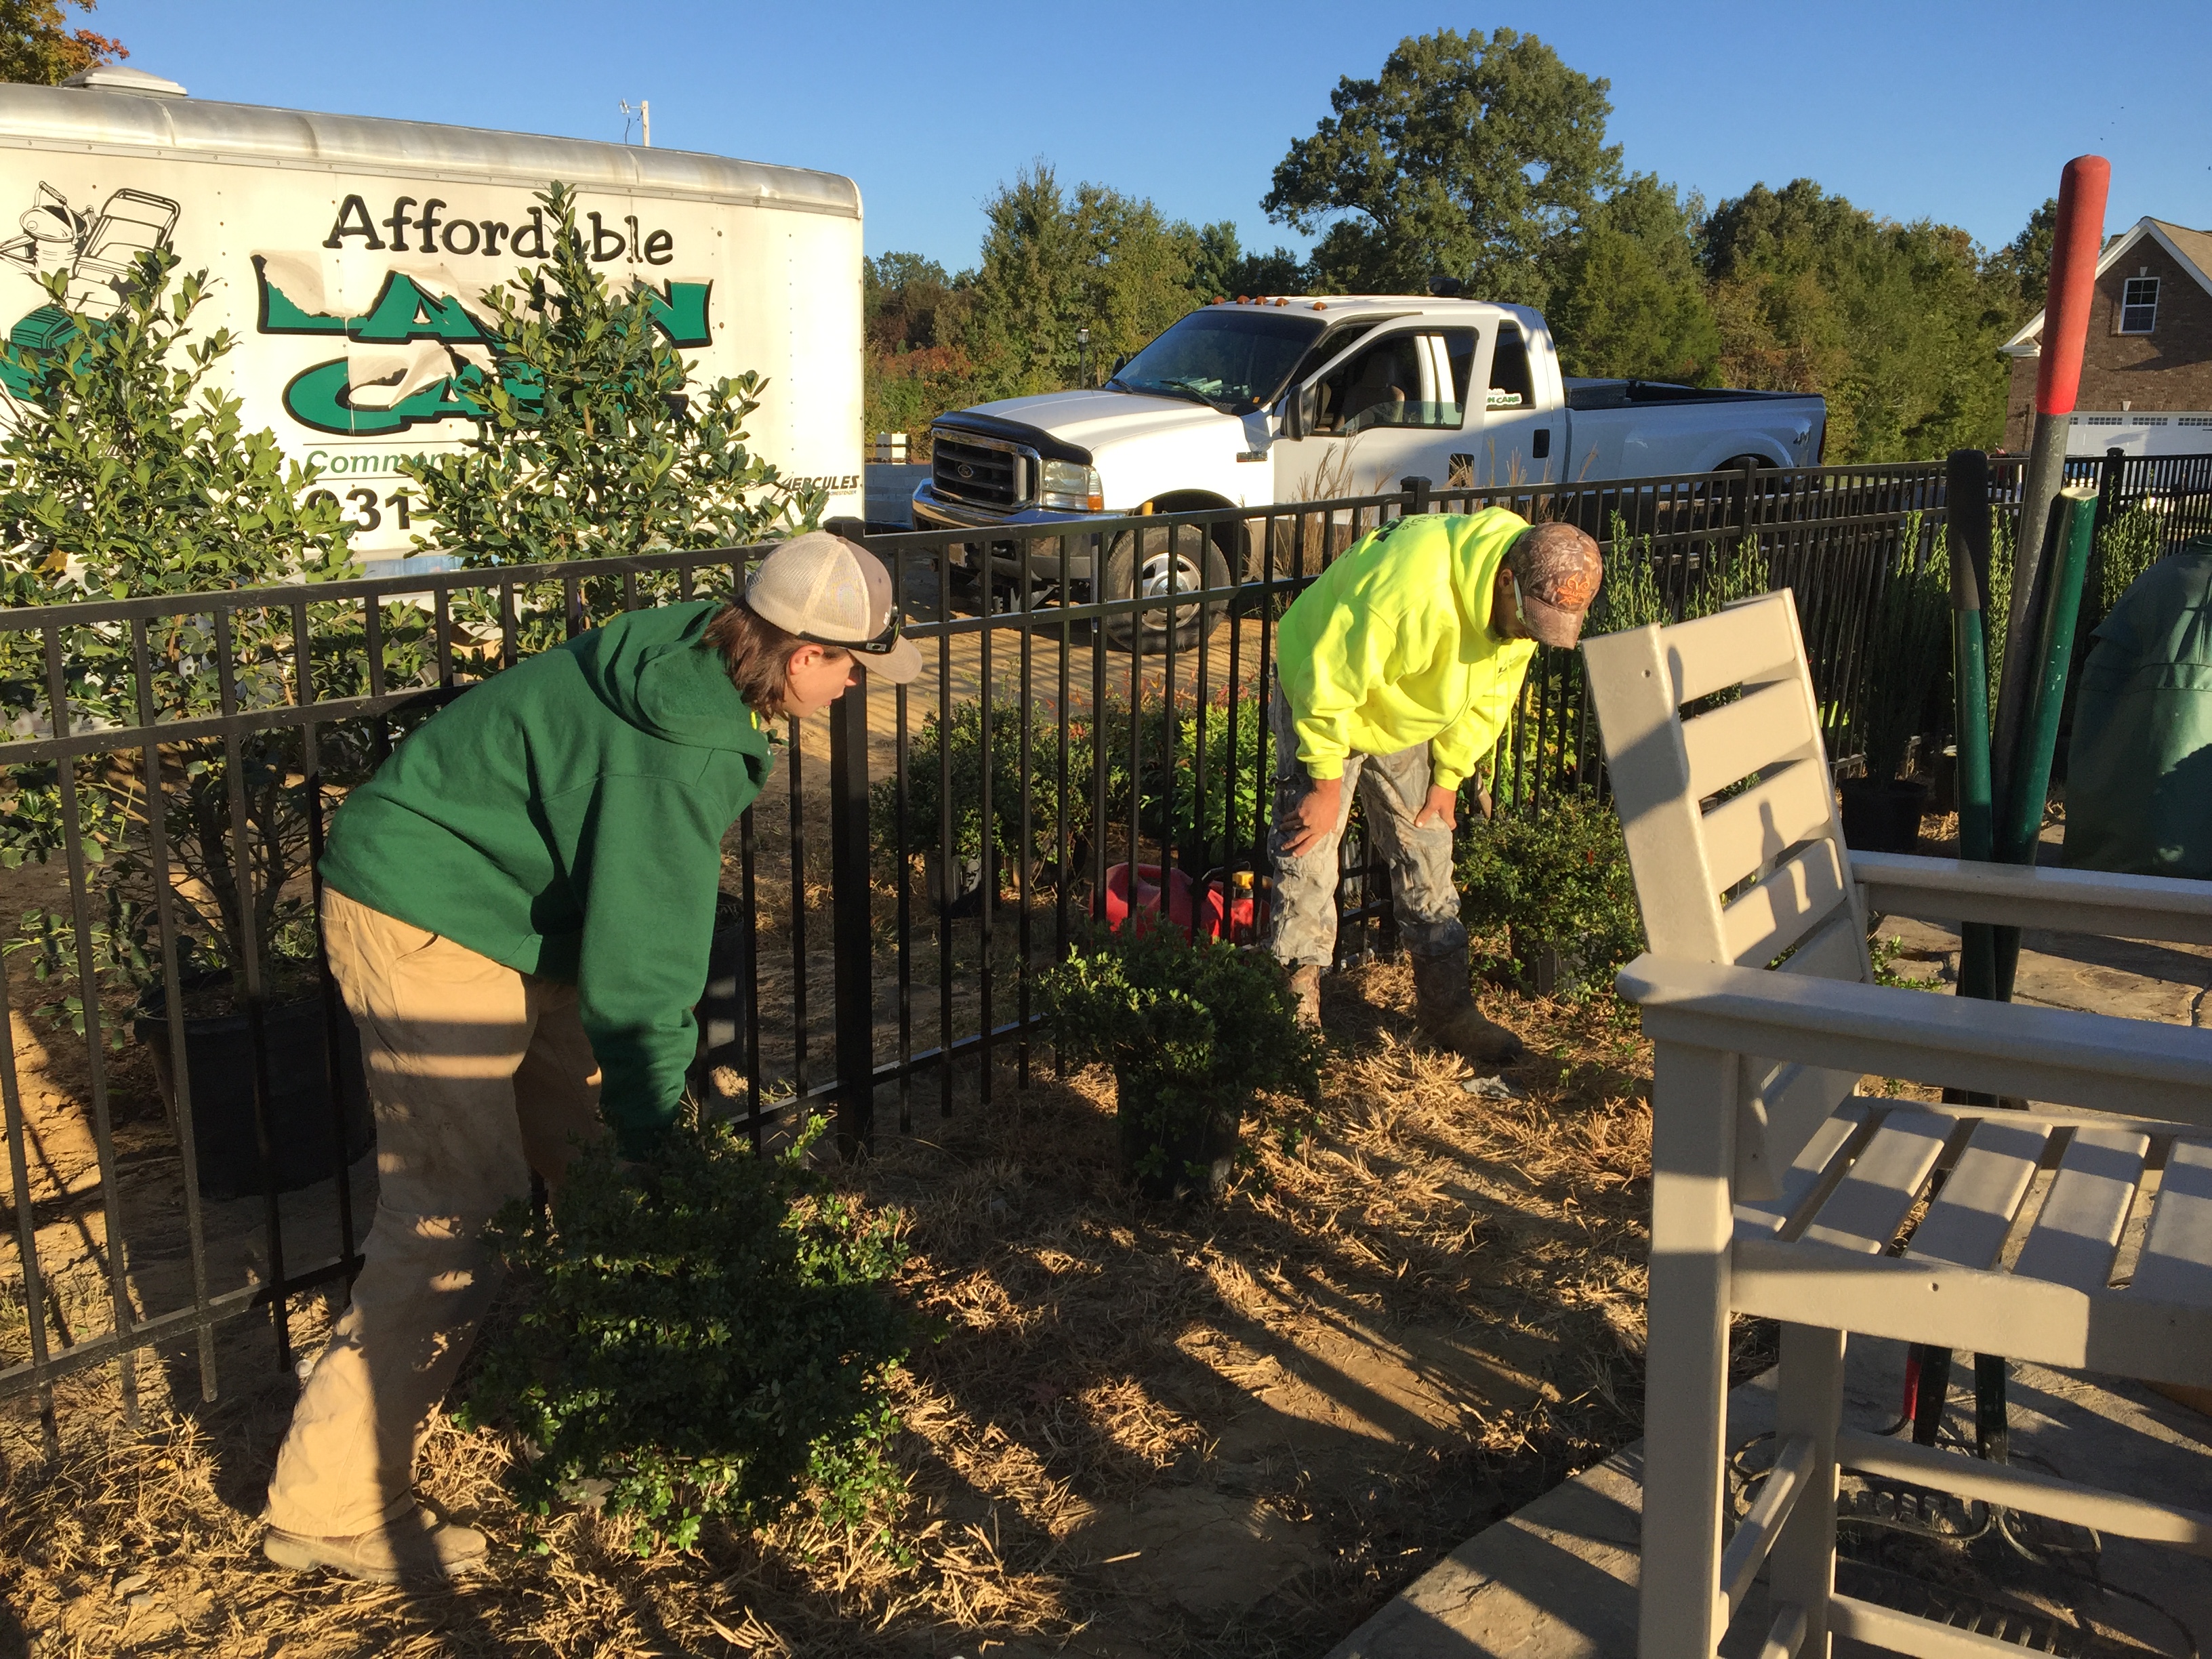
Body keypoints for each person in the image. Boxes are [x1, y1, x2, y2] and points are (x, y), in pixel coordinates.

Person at [260, 531, 921, 1584]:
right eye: (851, 667)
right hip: (427, 907)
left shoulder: (697, 649)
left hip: (521, 916)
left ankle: (619, 1413)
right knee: (457, 1211)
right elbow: (648, 974)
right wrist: (661, 1131)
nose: (854, 689)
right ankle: (327, 1506)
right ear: (800, 656)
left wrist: (643, 1145)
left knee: (601, 1175)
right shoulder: (686, 745)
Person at [1267, 508, 1603, 1059]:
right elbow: (1327, 684)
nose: (1528, 635)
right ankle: (1291, 1026)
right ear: (1504, 581)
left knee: (1428, 844)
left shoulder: (1518, 601)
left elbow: (1491, 698)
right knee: (1309, 851)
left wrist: (1448, 779)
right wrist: (1325, 785)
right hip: (1325, 692)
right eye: (1528, 622)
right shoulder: (1409, 590)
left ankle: (1447, 1009)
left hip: (1404, 702)